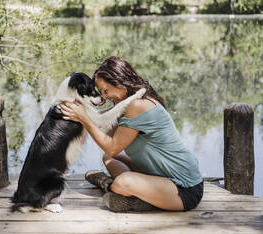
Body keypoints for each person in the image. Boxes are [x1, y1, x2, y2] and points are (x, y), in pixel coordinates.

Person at [59, 56, 204, 212]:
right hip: (158, 177)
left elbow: (112, 147)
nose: (105, 97)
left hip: (184, 188)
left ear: (119, 81)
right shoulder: (127, 107)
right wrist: (84, 112)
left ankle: (111, 186)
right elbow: (105, 137)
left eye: (105, 90)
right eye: (102, 92)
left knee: (122, 182)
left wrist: (84, 119)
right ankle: (133, 193)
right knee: (109, 159)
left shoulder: (138, 105)